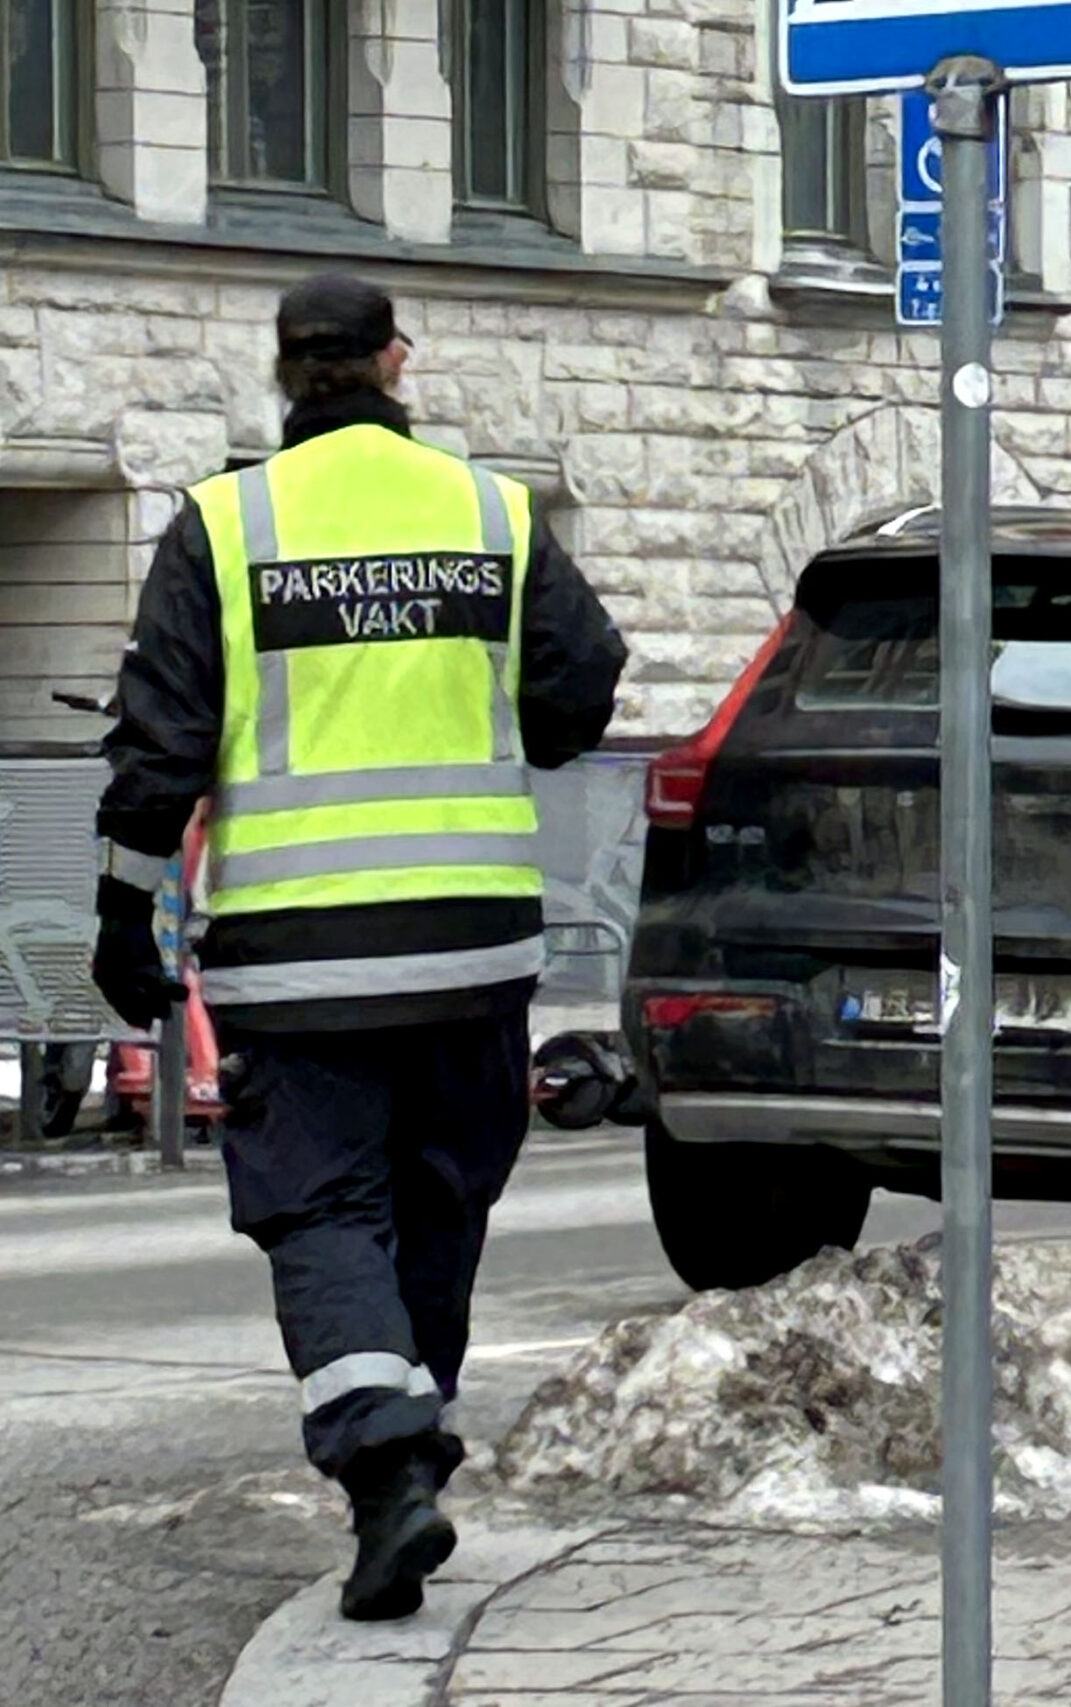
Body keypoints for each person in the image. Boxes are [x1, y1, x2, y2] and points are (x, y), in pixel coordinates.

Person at [88, 274, 628, 1621]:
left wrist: (122, 914)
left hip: (298, 961)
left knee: (323, 1211)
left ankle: (388, 1469)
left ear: (285, 375)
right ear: (399, 363)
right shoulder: (490, 511)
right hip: (471, 950)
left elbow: (156, 745)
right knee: (439, 1206)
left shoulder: (227, 523)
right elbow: (583, 679)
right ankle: (410, 1458)